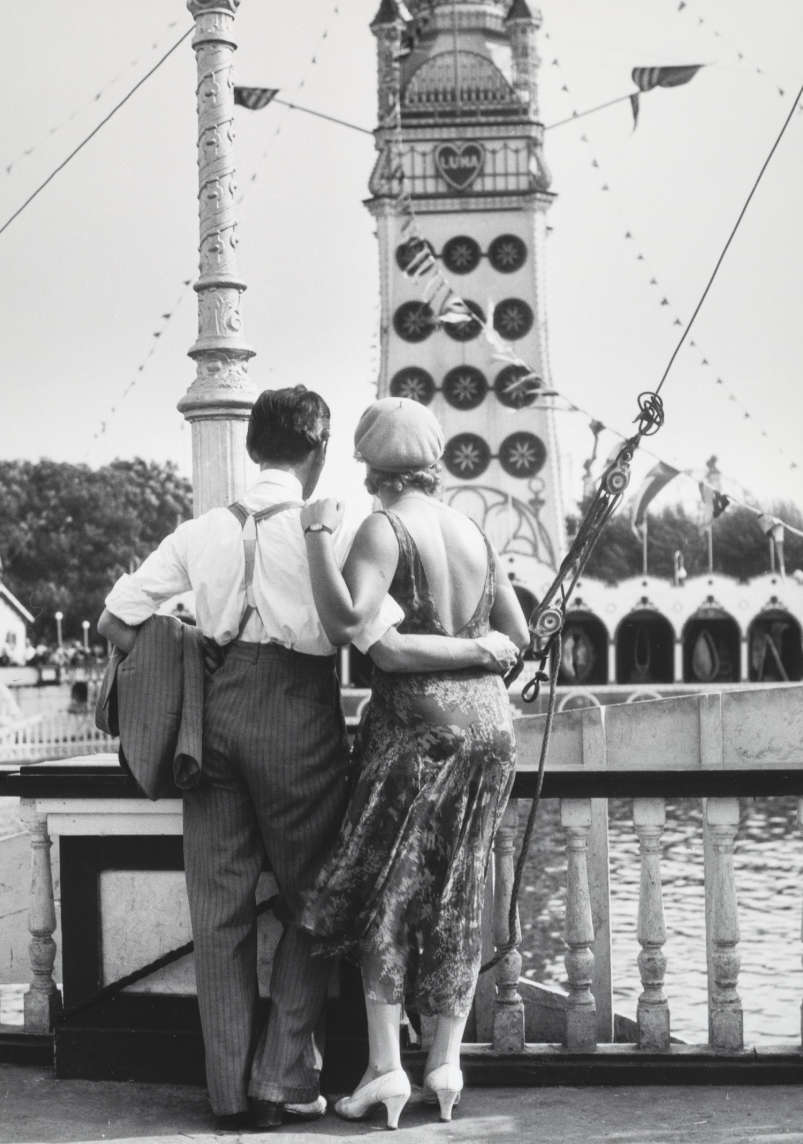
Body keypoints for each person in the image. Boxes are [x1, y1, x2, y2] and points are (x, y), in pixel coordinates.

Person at [97, 386, 518, 1131]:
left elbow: (116, 620)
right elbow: (372, 637)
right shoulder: (339, 527)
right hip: (299, 720)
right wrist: (483, 650)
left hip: (214, 718)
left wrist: (189, 652)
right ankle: (281, 1077)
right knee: (316, 903)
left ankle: (227, 1094)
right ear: (318, 452)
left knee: (219, 912)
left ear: (253, 447)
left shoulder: (199, 532)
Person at [299, 396, 530, 1129]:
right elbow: (514, 636)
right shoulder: (471, 530)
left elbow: (361, 633)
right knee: (460, 888)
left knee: (389, 890)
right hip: (492, 728)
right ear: (432, 458)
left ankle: (384, 1069)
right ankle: (446, 1063)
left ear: (369, 463)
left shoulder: (383, 527)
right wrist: (479, 650)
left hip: (417, 728)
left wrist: (314, 541)